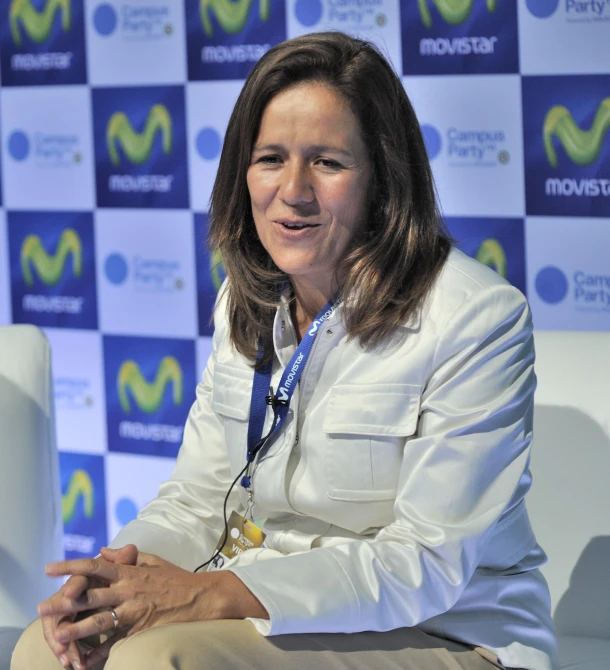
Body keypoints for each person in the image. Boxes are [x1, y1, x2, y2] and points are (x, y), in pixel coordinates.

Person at [12, 32, 557, 670]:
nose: (292, 190)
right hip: (267, 612)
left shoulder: (477, 318)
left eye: (327, 162)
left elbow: (423, 565)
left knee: (153, 661)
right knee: (49, 649)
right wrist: (113, 582)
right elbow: (197, 498)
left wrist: (208, 595)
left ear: (383, 177)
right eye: (270, 157)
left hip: (450, 633)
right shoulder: (245, 299)